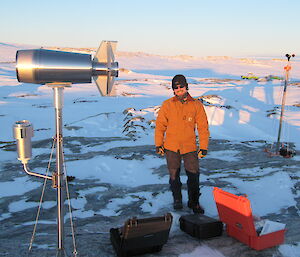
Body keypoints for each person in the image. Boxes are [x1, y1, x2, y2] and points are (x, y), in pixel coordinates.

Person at [155, 74, 209, 214]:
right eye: (175, 87)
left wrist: (203, 146)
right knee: (174, 176)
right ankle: (177, 200)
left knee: (193, 176)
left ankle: (194, 202)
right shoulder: (167, 105)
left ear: (186, 87)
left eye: (181, 86)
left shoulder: (196, 105)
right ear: (173, 89)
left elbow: (203, 127)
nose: (178, 89)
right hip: (171, 147)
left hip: (189, 147)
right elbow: (160, 126)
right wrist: (158, 144)